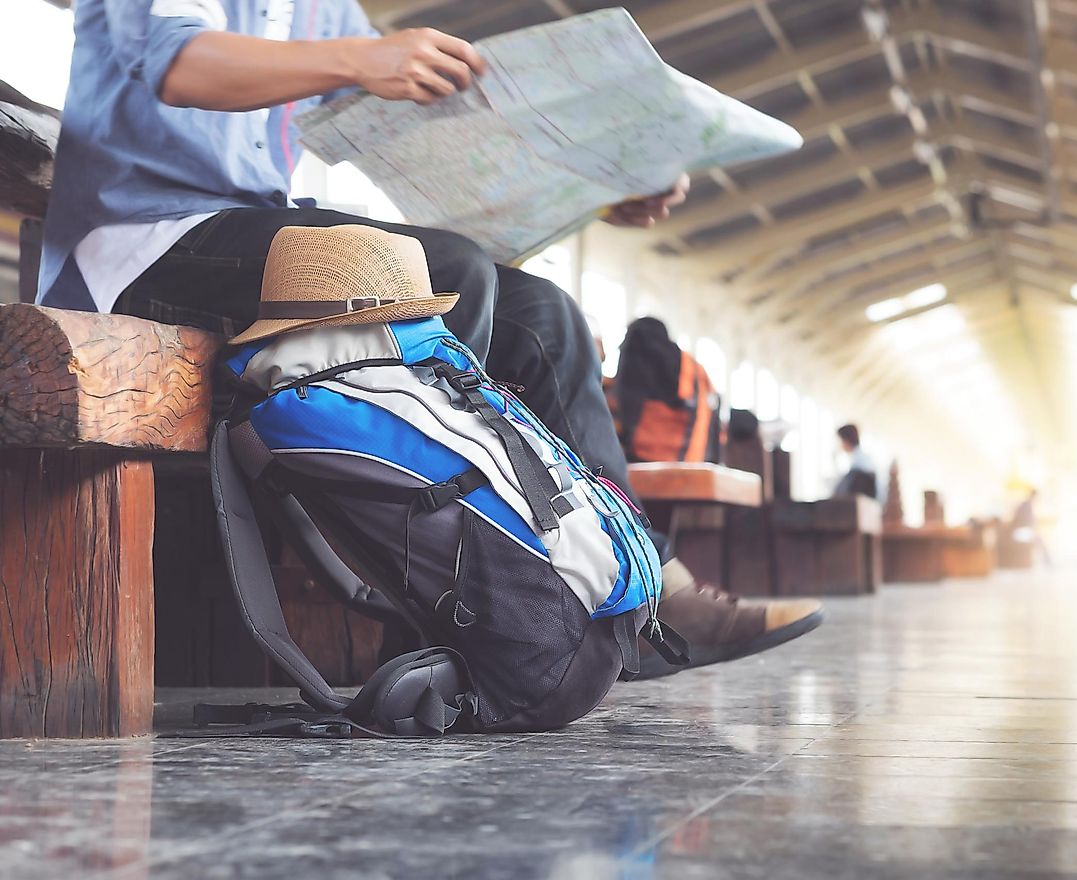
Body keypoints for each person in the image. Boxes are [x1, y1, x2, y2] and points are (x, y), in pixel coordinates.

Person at [39, 0, 822, 679]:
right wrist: (365, 55)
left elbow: (409, 124)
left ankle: (648, 598)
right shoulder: (339, 33)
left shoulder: (330, 13)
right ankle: (454, 606)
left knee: (547, 317)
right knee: (445, 270)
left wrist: (598, 179)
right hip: (143, 239)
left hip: (251, 231)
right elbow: (180, 64)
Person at [614, 317, 721, 464]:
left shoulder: (637, 352)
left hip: (642, 463)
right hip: (694, 461)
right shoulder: (693, 368)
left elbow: (627, 410)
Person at [832, 424, 879, 499]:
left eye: (839, 441)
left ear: (845, 441)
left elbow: (844, 490)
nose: (838, 444)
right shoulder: (862, 458)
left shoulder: (859, 462)